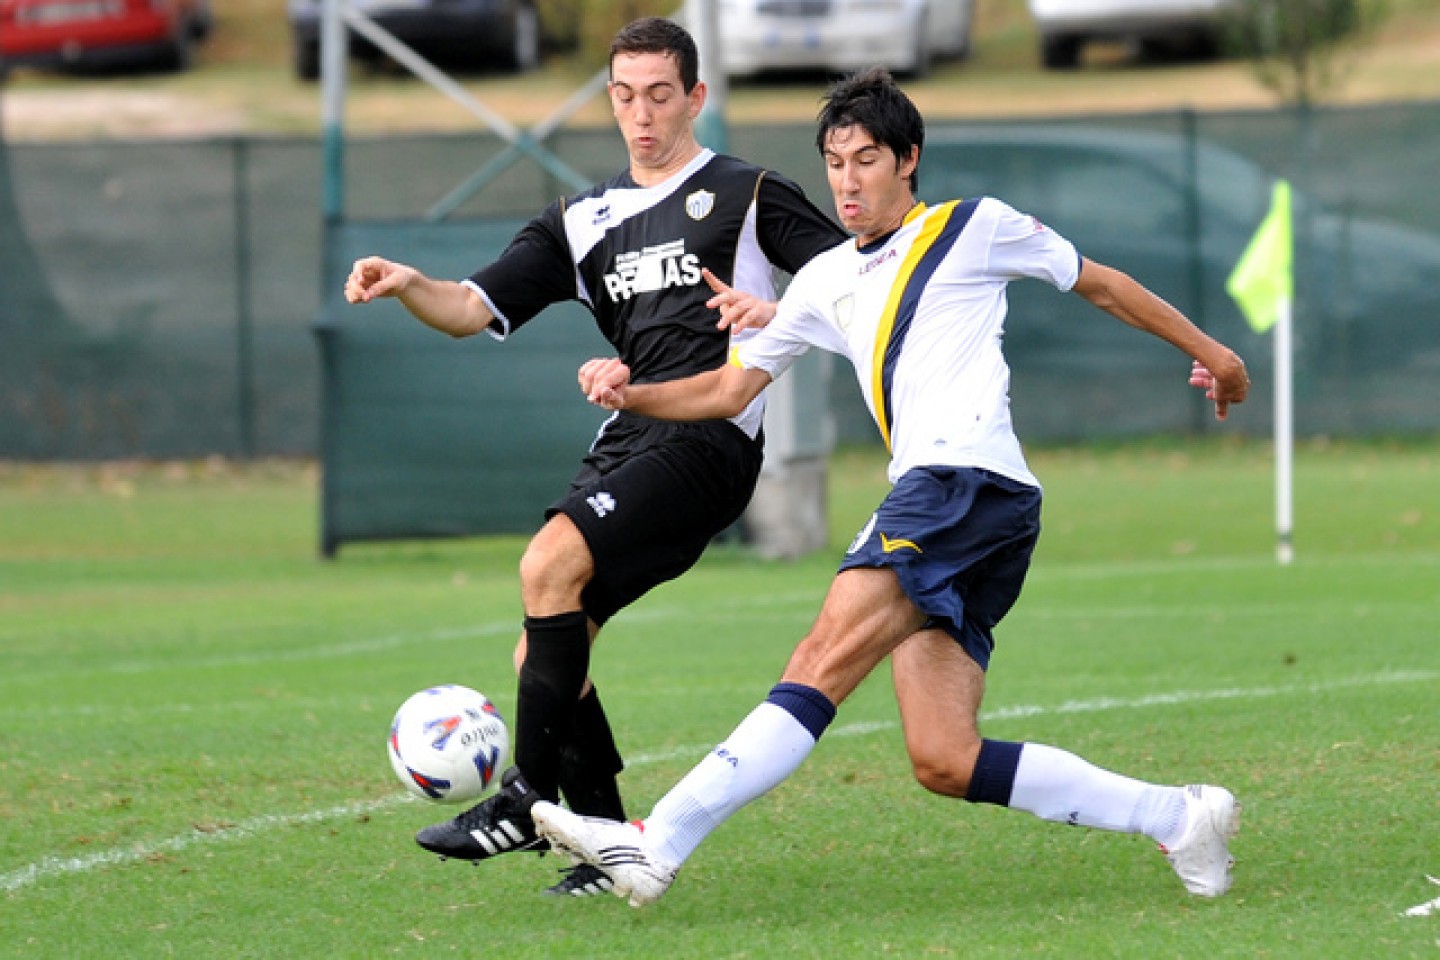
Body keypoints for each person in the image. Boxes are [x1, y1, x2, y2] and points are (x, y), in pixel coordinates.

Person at [528, 66, 1252, 907]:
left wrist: (1217, 355)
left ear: (908, 160)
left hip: (961, 484)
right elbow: (727, 391)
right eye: (834, 161)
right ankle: (1180, 816)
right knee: (944, 757)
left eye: (865, 159)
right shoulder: (827, 280)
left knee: (819, 657)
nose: (847, 180)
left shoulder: (971, 226)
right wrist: (633, 392)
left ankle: (658, 843)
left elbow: (1102, 283)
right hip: (967, 506)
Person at [343, 17, 846, 897]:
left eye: (661, 95)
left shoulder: (748, 193)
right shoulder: (583, 219)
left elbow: (857, 279)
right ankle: (606, 845)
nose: (642, 115)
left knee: (549, 562)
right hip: (627, 436)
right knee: (548, 641)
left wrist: (779, 317)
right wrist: (410, 284)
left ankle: (524, 801)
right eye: (624, 97)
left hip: (710, 438)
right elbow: (470, 306)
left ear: (696, 96)